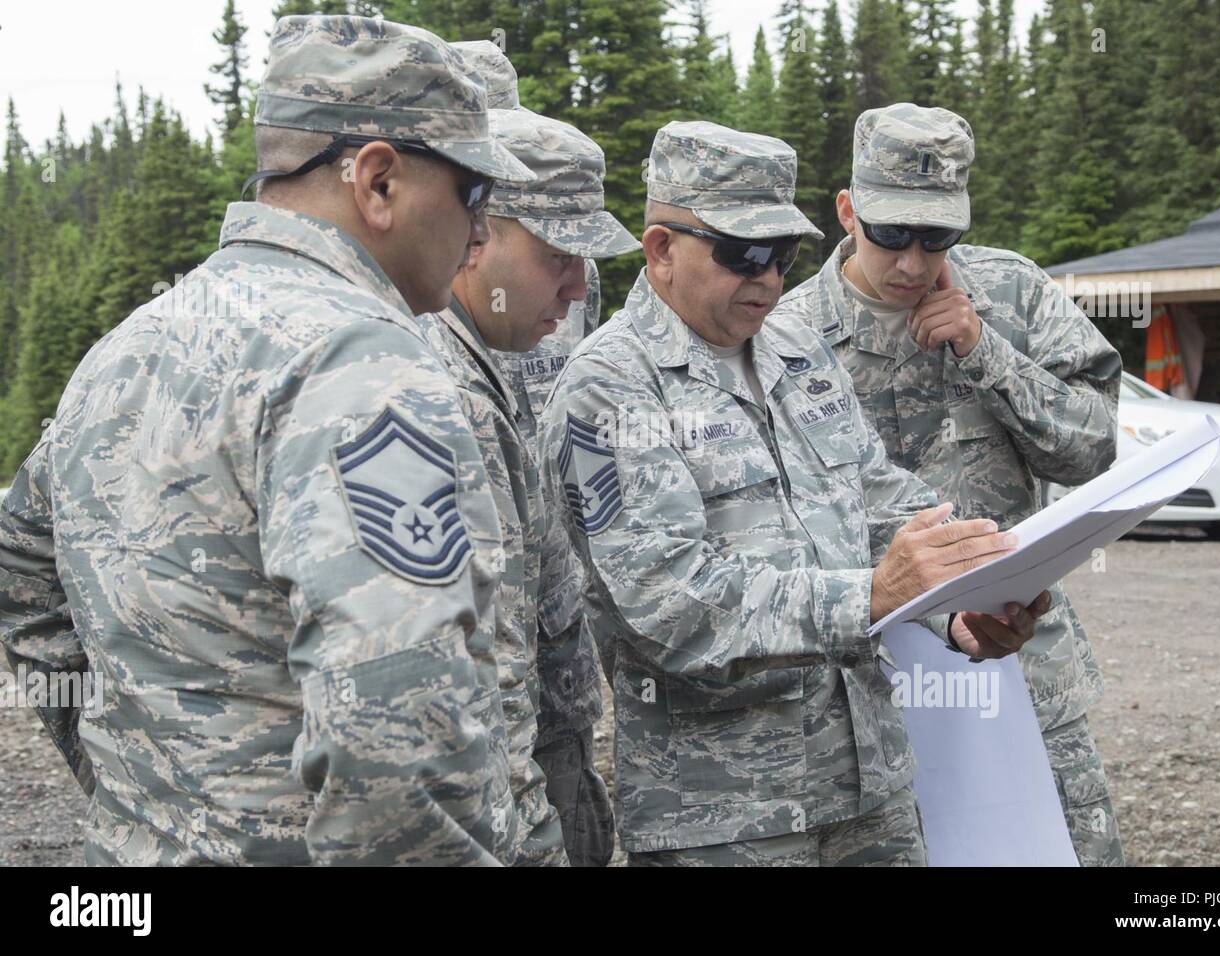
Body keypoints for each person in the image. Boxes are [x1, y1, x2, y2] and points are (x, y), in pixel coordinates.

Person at [0, 13, 537, 865]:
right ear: (379, 181)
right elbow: (397, 736)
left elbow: (23, 569)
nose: (481, 231)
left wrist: (136, 769)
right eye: (473, 194)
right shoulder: (362, 360)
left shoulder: (125, 346)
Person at [538, 120, 1050, 866]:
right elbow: (668, 606)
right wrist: (870, 597)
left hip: (870, 790)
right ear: (660, 250)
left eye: (782, 254)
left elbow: (876, 498)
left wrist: (964, 595)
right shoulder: (610, 387)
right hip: (727, 818)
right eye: (743, 254)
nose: (770, 279)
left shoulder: (793, 348)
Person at [772, 102, 1125, 865]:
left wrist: (984, 349)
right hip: (866, 693)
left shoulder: (1015, 295)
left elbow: (1093, 449)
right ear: (847, 210)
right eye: (891, 234)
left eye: (937, 238)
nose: (911, 262)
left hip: (1016, 657)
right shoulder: (783, 332)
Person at [428, 105, 638, 865]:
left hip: (555, 763)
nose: (581, 289)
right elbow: (479, 682)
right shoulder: (433, 390)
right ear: (476, 232)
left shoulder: (488, 356)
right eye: (558, 255)